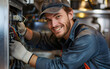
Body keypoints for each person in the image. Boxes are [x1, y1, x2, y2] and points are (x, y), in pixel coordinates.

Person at [10, 0, 110, 69]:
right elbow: (43, 39)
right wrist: (24, 31)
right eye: (49, 20)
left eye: (58, 16)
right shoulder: (67, 34)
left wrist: (25, 56)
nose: (53, 24)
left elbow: (61, 67)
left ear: (70, 14)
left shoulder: (87, 37)